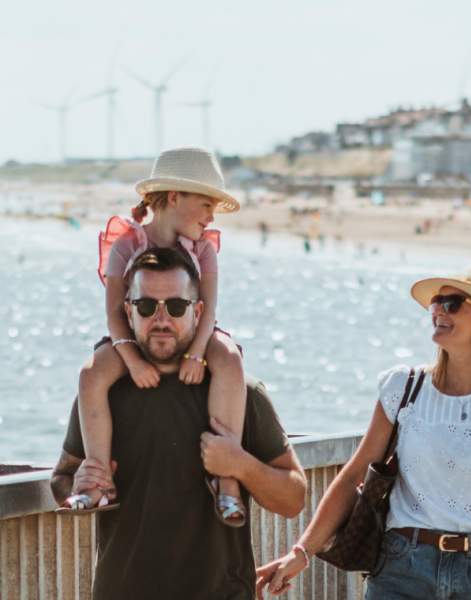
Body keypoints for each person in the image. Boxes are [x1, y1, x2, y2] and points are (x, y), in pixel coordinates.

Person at [256, 267, 471, 599]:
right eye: (436, 302)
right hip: (400, 569)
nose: (437, 310)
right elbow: (353, 476)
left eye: (452, 303)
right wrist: (301, 552)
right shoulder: (403, 388)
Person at [51, 247, 306, 599]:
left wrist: (241, 466)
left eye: (175, 307)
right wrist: (76, 484)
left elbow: (294, 498)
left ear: (198, 311)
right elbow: (61, 478)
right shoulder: (104, 393)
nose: (161, 319)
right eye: (145, 306)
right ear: (128, 310)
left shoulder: (239, 392)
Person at [65, 147, 249, 527]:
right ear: (175, 196)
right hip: (131, 336)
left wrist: (197, 353)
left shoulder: (204, 251)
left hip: (192, 332)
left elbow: (208, 312)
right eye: (206, 204)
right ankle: (99, 475)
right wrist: (131, 359)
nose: (212, 216)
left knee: (230, 358)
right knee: (91, 374)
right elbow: (116, 314)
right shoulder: (126, 245)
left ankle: (226, 478)